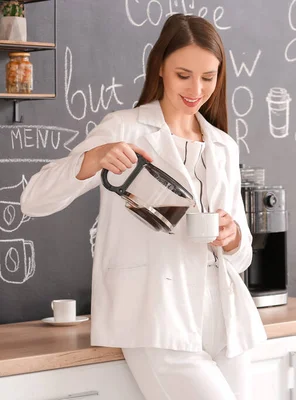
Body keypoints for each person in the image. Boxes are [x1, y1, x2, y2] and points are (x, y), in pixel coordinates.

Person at [20, 14, 266, 400]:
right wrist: (94, 158)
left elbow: (241, 259)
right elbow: (33, 200)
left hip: (226, 320)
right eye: (184, 74)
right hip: (156, 315)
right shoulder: (124, 128)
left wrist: (233, 238)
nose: (196, 88)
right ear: (161, 69)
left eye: (208, 77)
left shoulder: (222, 145)